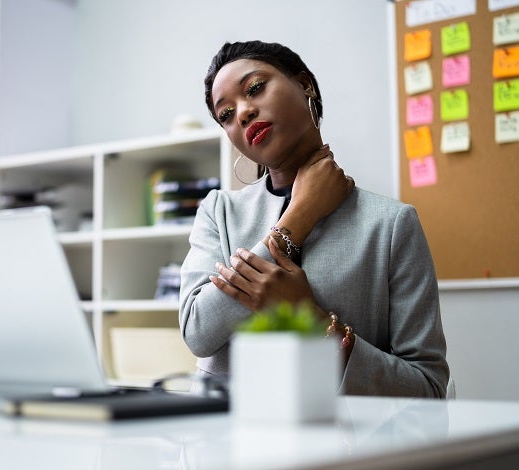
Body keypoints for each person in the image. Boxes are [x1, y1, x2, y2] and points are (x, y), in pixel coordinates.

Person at [179, 41, 449, 397]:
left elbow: (427, 388)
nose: (242, 113)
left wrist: (311, 317)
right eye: (225, 115)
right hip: (227, 442)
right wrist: (298, 218)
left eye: (255, 88)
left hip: (346, 445)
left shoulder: (391, 223)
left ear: (305, 84)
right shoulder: (219, 212)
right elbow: (198, 332)